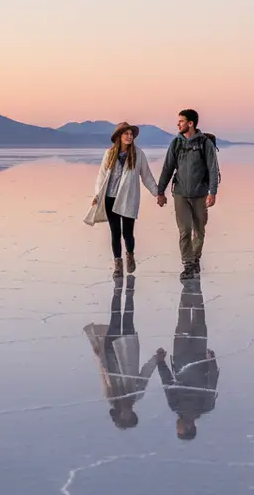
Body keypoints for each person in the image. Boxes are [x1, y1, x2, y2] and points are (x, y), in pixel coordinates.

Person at [83, 277, 160, 429]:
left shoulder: (111, 397)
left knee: (115, 317)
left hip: (110, 353)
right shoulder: (136, 395)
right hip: (127, 350)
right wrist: (156, 359)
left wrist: (99, 357)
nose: (125, 414)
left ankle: (117, 289)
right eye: (128, 417)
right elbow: (144, 375)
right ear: (132, 415)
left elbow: (103, 377)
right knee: (128, 318)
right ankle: (129, 292)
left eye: (122, 417)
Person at [87, 122, 159, 279]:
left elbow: (146, 176)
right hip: (110, 198)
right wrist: (97, 195)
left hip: (128, 199)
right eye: (126, 134)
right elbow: (101, 176)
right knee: (115, 233)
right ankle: (118, 265)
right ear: (119, 136)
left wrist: (157, 193)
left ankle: (130, 255)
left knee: (128, 233)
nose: (129, 136)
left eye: (131, 134)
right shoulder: (109, 153)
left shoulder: (138, 155)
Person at [156, 109, 220, 281]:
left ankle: (195, 257)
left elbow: (213, 169)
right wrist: (160, 191)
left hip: (200, 194)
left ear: (190, 123)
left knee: (199, 230)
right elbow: (167, 168)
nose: (178, 124)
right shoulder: (176, 143)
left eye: (181, 121)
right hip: (181, 194)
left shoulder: (205, 144)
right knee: (184, 230)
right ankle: (188, 264)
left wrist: (212, 192)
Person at [155, 277, 218, 440]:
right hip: (199, 357)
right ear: (190, 427)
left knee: (183, 318)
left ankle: (186, 288)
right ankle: (195, 286)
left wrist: (161, 362)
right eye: (180, 429)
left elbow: (167, 383)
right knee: (199, 320)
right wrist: (211, 361)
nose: (177, 426)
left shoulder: (175, 405)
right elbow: (212, 382)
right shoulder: (206, 406)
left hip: (180, 355)